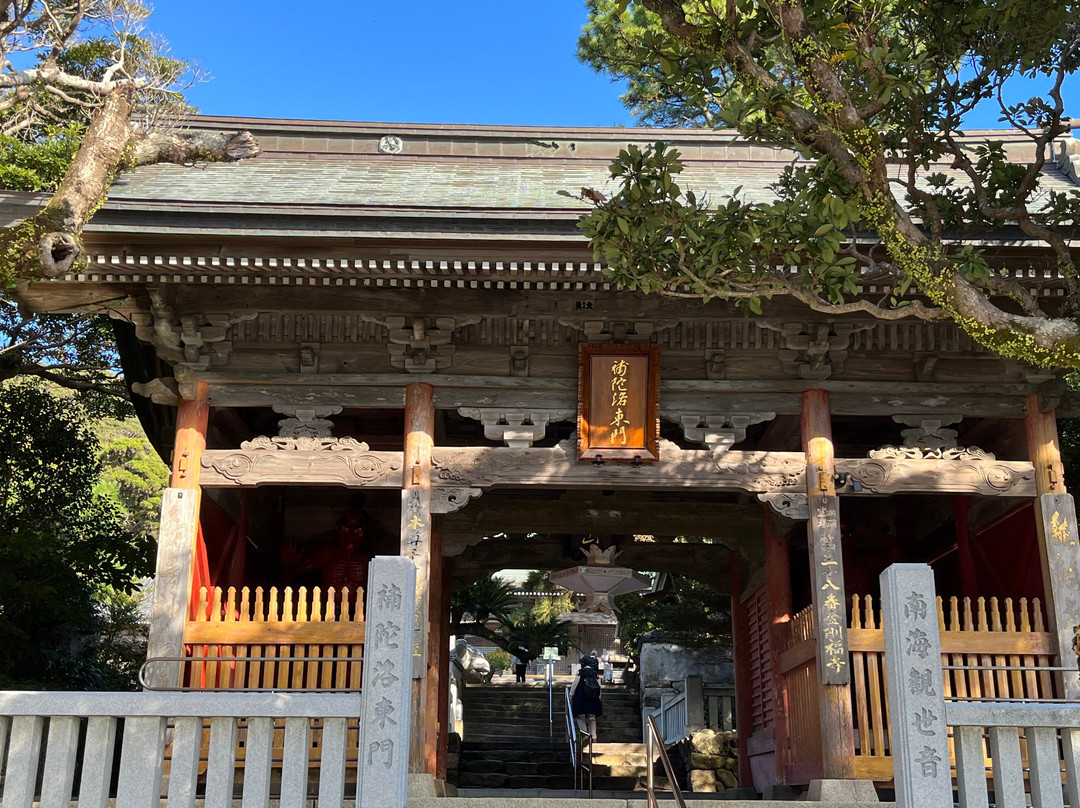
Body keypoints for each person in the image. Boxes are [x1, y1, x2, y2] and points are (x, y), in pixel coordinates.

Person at [570, 654, 603, 740]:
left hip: (581, 698)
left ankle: (584, 733)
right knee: (591, 718)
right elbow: (599, 686)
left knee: (580, 716)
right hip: (593, 698)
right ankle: (593, 737)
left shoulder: (580, 672)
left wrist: (571, 695)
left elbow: (574, 684)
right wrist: (599, 697)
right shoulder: (595, 673)